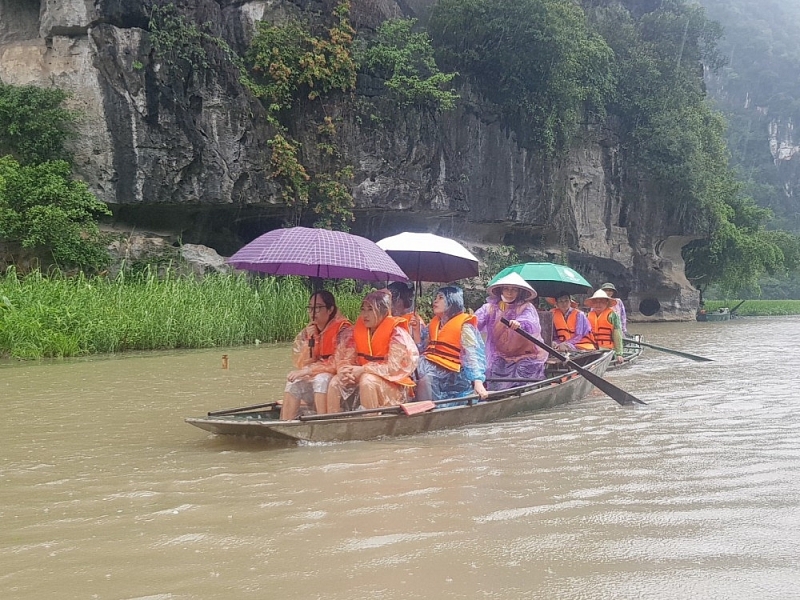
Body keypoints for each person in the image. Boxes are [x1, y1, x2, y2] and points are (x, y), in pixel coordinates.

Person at [326, 290, 419, 412]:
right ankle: (332, 424)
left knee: (367, 381)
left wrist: (363, 369)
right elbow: (346, 357)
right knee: (336, 381)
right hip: (365, 376)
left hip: (395, 386)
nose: (365, 315)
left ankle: (371, 422)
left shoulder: (397, 334)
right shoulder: (357, 332)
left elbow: (394, 369)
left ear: (383, 311)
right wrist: (345, 370)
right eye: (363, 309)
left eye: (370, 309)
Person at [280, 290, 353, 420]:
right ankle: (286, 421)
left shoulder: (344, 330)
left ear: (330, 309)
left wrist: (309, 370)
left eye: (318, 308)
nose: (313, 312)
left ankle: (322, 421)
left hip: (340, 379)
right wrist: (311, 341)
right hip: (318, 373)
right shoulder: (310, 330)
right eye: (310, 308)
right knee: (294, 381)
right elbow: (302, 363)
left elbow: (337, 364)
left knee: (321, 379)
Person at [474, 272, 548, 390]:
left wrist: (519, 323)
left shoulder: (526, 307)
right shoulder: (490, 307)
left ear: (519, 292)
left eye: (514, 290)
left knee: (523, 384)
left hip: (526, 356)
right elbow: (475, 321)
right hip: (500, 355)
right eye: (506, 289)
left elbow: (531, 322)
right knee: (494, 382)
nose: (509, 292)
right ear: (501, 291)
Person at [415, 286, 489, 403]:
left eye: (441, 298)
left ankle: (427, 414)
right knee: (413, 375)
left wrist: (478, 382)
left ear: (452, 302)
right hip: (430, 369)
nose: (435, 301)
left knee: (426, 380)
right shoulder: (433, 324)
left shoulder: (464, 327)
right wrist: (415, 332)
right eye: (436, 298)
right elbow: (420, 349)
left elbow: (473, 355)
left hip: (453, 375)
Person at [585, 289, 625, 365]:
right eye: (596, 302)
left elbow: (617, 335)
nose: (598, 304)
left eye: (602, 301)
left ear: (607, 302)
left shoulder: (613, 315)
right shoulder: (588, 315)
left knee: (600, 358)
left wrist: (619, 353)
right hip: (591, 349)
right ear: (592, 304)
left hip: (607, 350)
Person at [387, 281, 424, 346]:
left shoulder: (414, 321)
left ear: (401, 300)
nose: (390, 304)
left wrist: (416, 332)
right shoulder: (387, 318)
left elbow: (420, 348)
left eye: (393, 300)